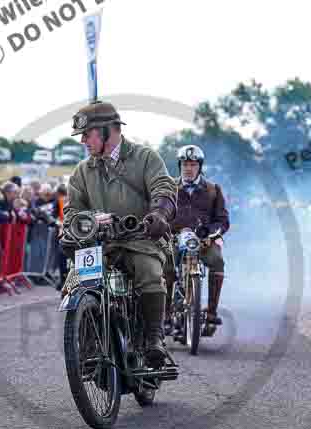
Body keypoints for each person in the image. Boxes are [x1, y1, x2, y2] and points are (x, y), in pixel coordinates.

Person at [62, 100, 177, 368]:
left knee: (149, 271)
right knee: (76, 283)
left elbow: (163, 187)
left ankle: (154, 339)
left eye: (87, 134)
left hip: (142, 240)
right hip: (100, 245)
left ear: (107, 130)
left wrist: (159, 214)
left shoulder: (145, 158)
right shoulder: (83, 171)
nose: (82, 141)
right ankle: (88, 346)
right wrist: (87, 221)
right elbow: (72, 212)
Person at [164, 145, 229, 332]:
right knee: (165, 265)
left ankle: (211, 313)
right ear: (180, 166)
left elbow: (223, 221)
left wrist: (210, 233)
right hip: (175, 239)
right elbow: (159, 214)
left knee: (217, 261)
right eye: (185, 164)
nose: (188, 169)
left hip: (203, 241)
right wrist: (165, 232)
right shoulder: (168, 188)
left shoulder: (213, 190)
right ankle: (165, 315)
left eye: (193, 165)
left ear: (200, 167)